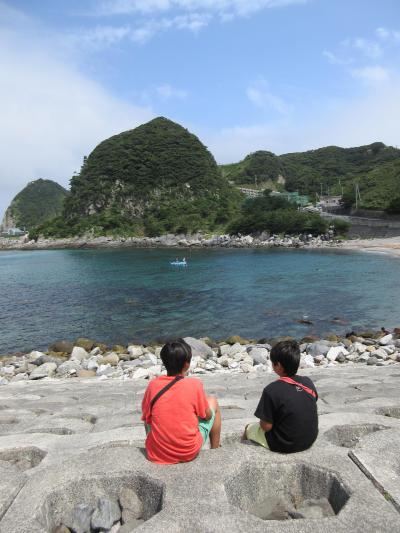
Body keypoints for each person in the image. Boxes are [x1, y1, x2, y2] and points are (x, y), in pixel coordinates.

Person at [141, 338, 221, 464]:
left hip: (157, 453)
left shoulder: (152, 386)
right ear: (186, 365)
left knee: (148, 416)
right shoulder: (194, 385)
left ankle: (159, 444)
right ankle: (216, 450)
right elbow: (206, 416)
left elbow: (147, 417)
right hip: (188, 451)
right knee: (212, 401)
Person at [243, 340, 318, 453]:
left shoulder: (271, 390)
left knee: (249, 428)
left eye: (273, 362)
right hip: (310, 439)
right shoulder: (308, 382)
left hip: (284, 444)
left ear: (278, 366)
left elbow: (266, 427)